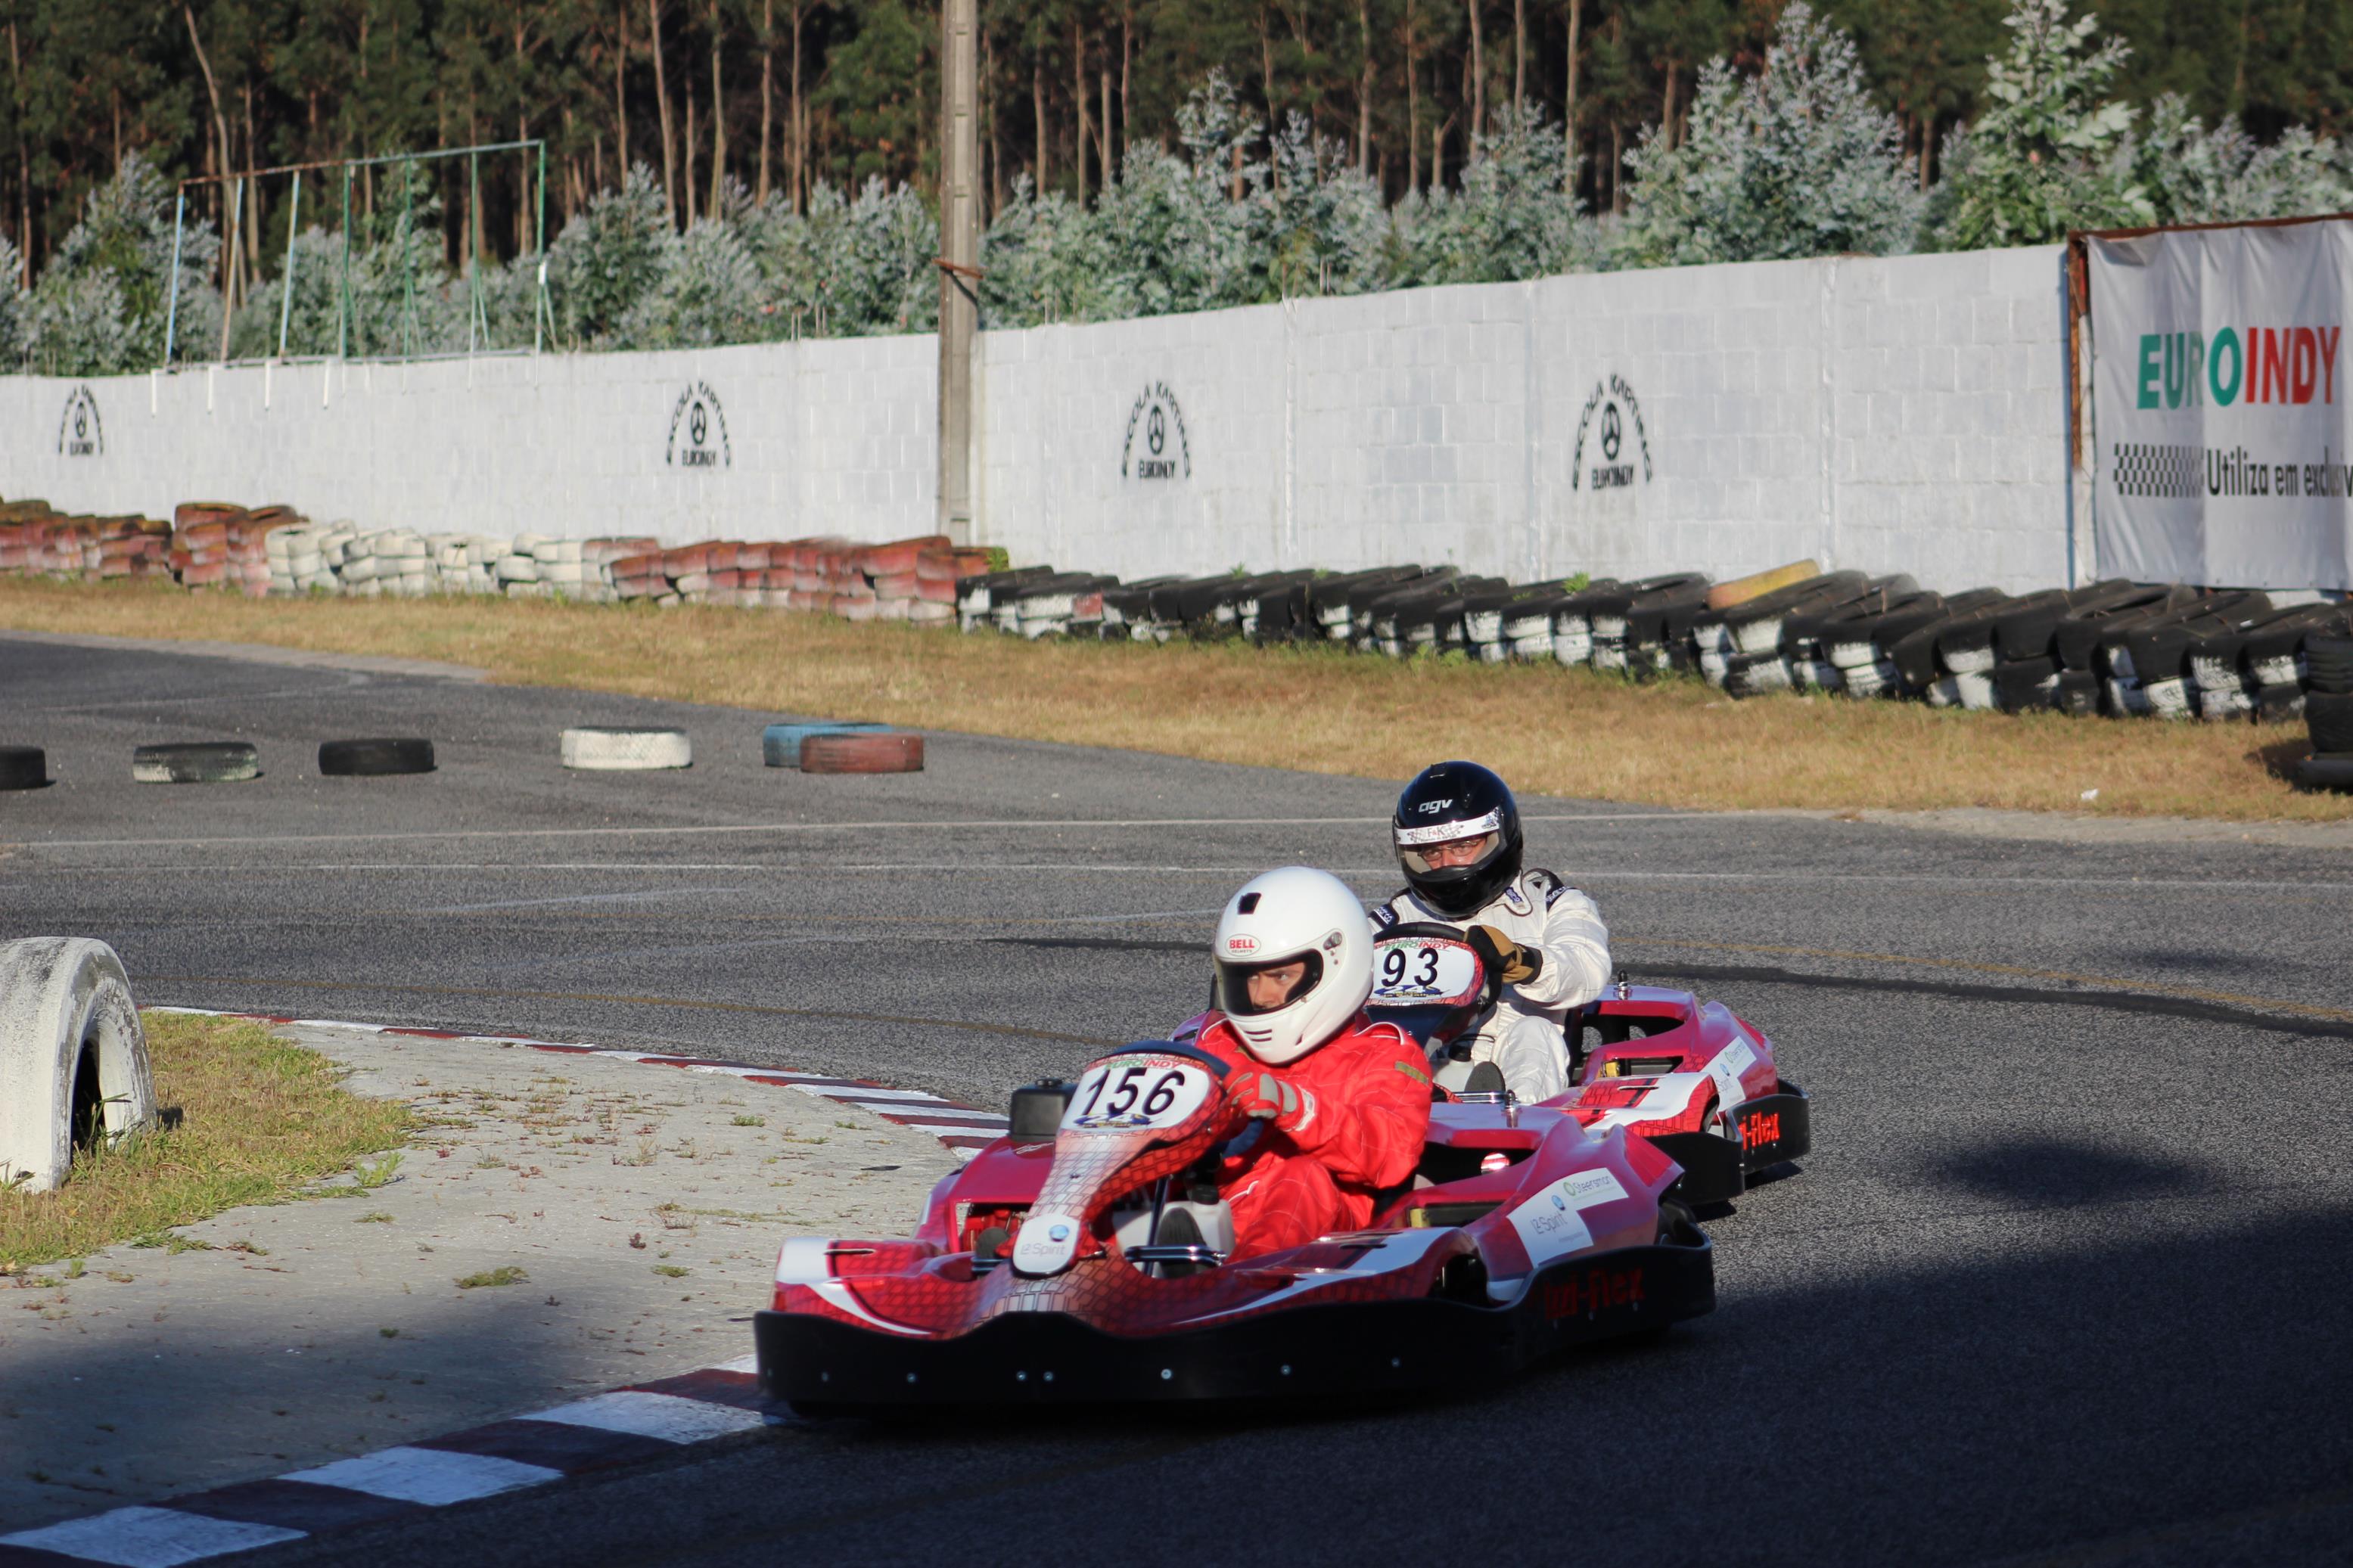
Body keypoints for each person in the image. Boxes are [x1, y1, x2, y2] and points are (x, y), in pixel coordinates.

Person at [1186, 865, 1433, 1260]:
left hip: (1324, 1228)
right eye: (1249, 978)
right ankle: (1087, 1264)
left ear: (1335, 963)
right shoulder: (1219, 1039)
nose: (1261, 996)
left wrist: (1295, 1107)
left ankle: (1245, 1285)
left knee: (1300, 1174)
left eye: (1280, 976)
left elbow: (1390, 1156)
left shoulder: (1386, 1054)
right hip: (1217, 1199)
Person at [1372, 761, 1612, 1101]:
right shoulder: (1395, 919)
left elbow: (1587, 970)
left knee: (1534, 1030)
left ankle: (1513, 1125)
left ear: (1498, 838)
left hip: (1516, 1060)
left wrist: (1521, 961)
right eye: (1432, 852)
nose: (1446, 864)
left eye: (1461, 847)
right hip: (1422, 1064)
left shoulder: (1552, 904)